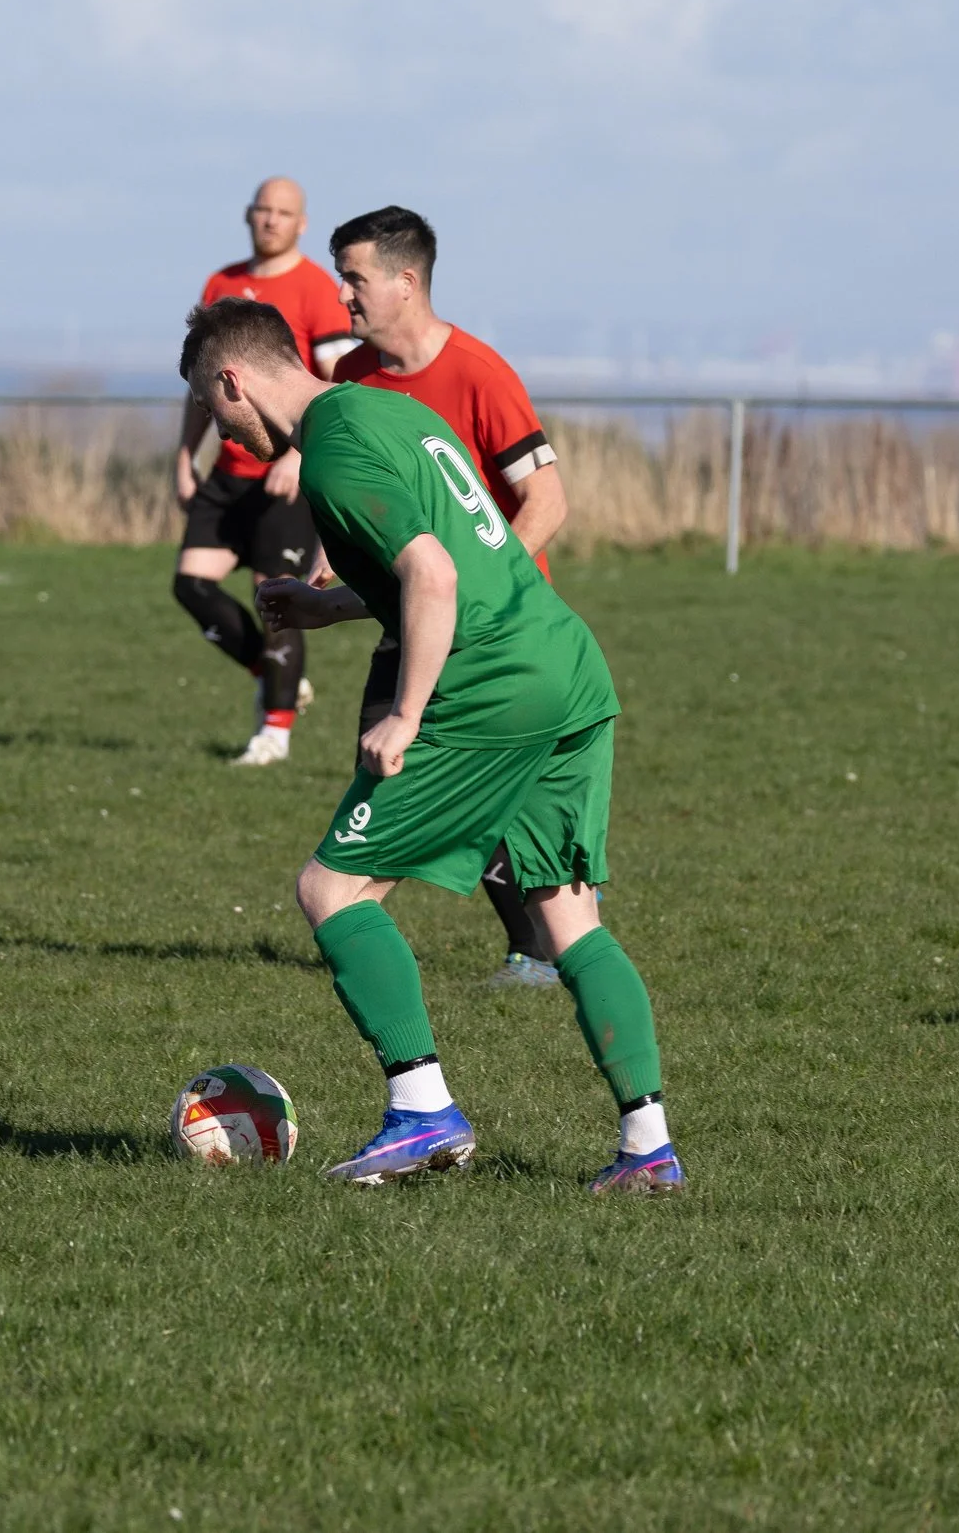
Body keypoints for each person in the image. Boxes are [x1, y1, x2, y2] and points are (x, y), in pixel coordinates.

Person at [179, 295, 684, 1195]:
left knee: (331, 888)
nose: (226, 435)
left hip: (488, 682)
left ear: (233, 380)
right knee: (570, 920)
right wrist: (332, 604)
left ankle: (422, 1111)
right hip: (565, 665)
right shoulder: (385, 409)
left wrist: (405, 713)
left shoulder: (330, 452)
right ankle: (649, 1148)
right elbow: (465, 553)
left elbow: (434, 573)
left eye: (215, 411)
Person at [329, 206, 571, 988]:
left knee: (443, 773)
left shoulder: (478, 372)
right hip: (411, 617)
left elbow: (547, 502)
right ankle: (529, 937)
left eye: (355, 278)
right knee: (389, 757)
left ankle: (354, 914)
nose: (343, 297)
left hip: (494, 631)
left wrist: (485, 581)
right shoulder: (350, 380)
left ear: (406, 281)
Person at [172, 177, 359, 765]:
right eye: (263, 210)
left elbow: (331, 381)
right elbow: (202, 387)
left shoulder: (315, 289)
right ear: (248, 215)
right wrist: (185, 455)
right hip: (229, 473)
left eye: (284, 213)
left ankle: (274, 731)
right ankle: (270, 670)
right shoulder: (221, 283)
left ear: (301, 224)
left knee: (273, 596)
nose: (271, 220)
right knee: (190, 584)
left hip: (282, 475)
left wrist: (302, 455)